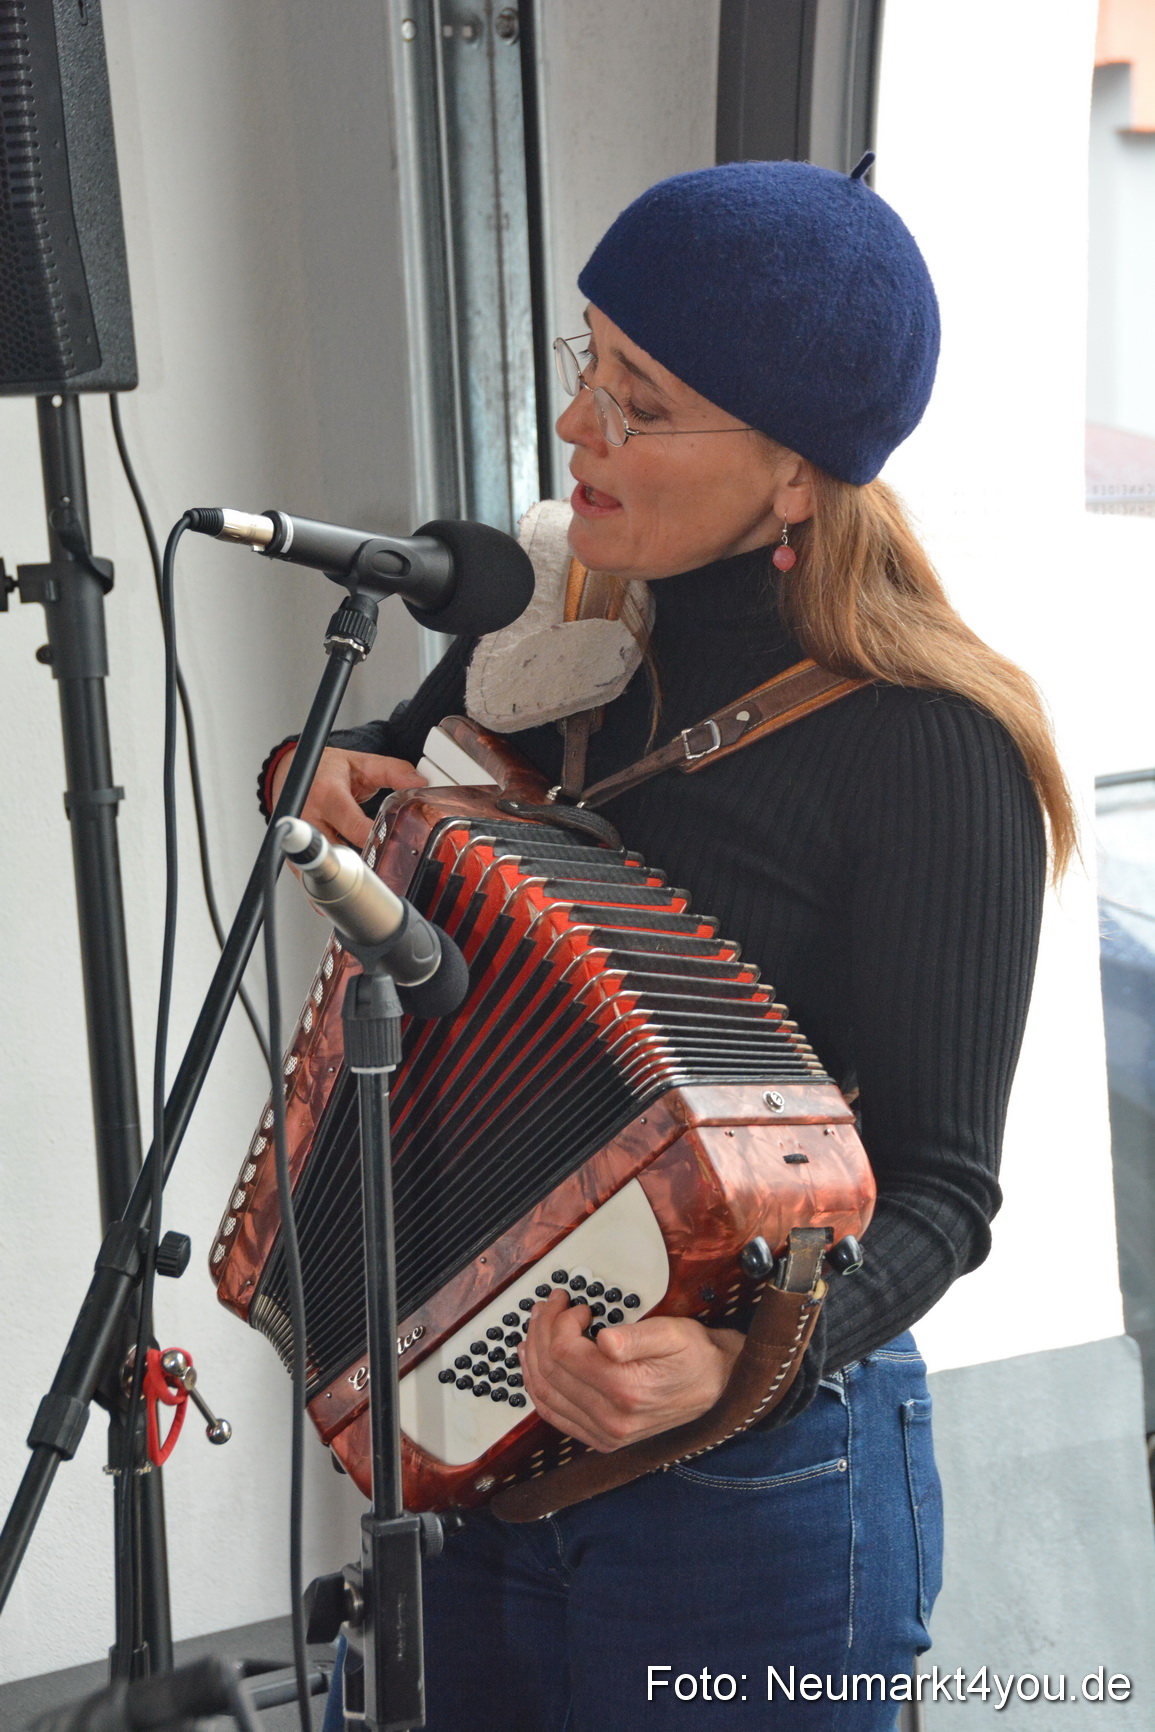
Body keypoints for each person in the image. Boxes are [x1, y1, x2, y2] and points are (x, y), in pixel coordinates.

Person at [269, 161, 1073, 1730]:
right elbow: (367, 773)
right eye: (589, 363)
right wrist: (331, 783)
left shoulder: (930, 748)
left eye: (642, 400)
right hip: (475, 1459)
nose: (581, 428)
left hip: (755, 1497)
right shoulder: (551, 645)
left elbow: (944, 1193)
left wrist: (743, 1363)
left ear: (795, 474)